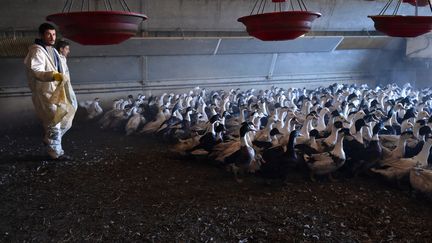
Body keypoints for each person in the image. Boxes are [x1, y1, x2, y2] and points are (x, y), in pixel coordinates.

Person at [24, 23, 77, 160]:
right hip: (45, 93)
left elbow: (62, 68)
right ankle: (55, 153)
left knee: (67, 115)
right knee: (54, 122)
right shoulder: (37, 51)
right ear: (42, 35)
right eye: (48, 34)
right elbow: (37, 71)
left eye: (53, 34)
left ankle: (49, 138)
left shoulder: (52, 50)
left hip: (57, 92)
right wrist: (53, 75)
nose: (52, 37)